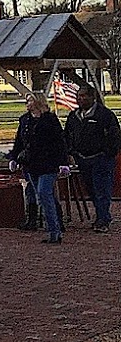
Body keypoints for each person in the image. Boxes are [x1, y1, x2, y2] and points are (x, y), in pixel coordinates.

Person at [11, 93, 67, 243]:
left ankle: (54, 231)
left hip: (48, 163)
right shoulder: (25, 120)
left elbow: (60, 142)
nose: (27, 103)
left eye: (30, 100)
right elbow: (19, 141)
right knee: (43, 196)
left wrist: (63, 162)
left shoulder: (50, 120)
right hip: (31, 164)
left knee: (44, 193)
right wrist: (14, 157)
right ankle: (55, 227)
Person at [66, 85, 120, 233]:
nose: (81, 99)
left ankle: (103, 219)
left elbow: (114, 135)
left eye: (84, 96)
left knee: (102, 190)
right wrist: (71, 152)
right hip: (82, 159)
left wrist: (108, 152)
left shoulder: (105, 115)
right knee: (91, 190)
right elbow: (68, 136)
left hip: (101, 158)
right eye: (79, 96)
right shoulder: (73, 116)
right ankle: (101, 216)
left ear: (92, 97)